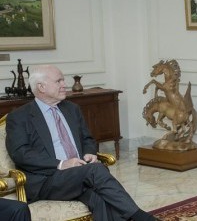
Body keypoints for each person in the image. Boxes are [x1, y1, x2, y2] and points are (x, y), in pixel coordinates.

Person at [5, 65, 159, 221]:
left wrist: (89, 153)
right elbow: (20, 153)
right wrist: (61, 164)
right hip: (47, 180)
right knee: (96, 170)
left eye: (63, 80)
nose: (64, 84)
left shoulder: (71, 109)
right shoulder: (19, 117)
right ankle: (142, 218)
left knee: (99, 198)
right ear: (41, 87)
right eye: (58, 81)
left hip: (79, 174)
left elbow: (87, 138)